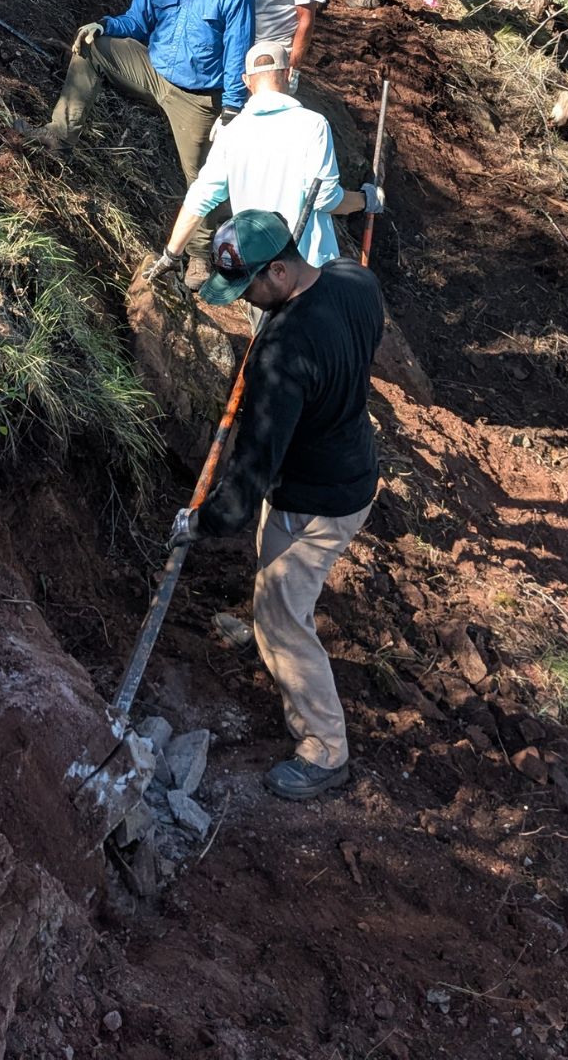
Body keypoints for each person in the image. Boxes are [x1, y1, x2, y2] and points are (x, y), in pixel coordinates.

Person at [169, 208, 384, 800]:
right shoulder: (353, 278)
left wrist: (199, 522)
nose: (246, 303)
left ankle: (324, 748)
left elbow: (246, 483)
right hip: (353, 466)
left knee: (283, 614)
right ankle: (267, 632)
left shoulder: (282, 355)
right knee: (275, 583)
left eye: (251, 289)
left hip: (316, 502)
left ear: (282, 271)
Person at [43, 0, 254, 264]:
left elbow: (238, 54)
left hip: (199, 98)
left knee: (203, 179)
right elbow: (136, 22)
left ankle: (202, 256)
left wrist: (232, 109)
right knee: (93, 46)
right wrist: (105, 26)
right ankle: (60, 136)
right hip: (153, 71)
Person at [144, 40, 382, 282]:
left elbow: (200, 197)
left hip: (257, 271)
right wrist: (365, 200)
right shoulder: (313, 125)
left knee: (266, 321)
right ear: (289, 74)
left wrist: (171, 254)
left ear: (247, 81)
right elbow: (326, 199)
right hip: (306, 270)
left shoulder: (231, 132)